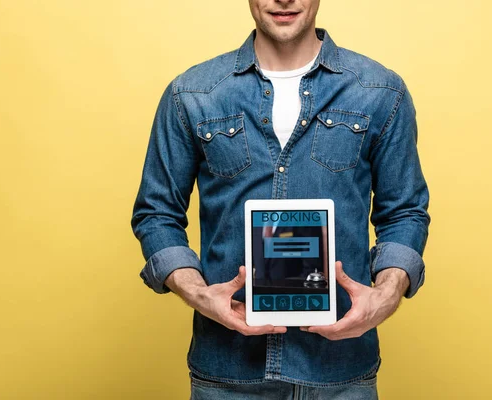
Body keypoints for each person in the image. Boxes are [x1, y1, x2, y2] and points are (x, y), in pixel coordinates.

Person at [131, 0, 430, 398]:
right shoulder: (191, 93)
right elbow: (156, 213)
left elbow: (405, 212)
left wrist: (388, 293)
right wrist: (199, 293)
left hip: (341, 374)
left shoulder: (380, 92)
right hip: (228, 373)